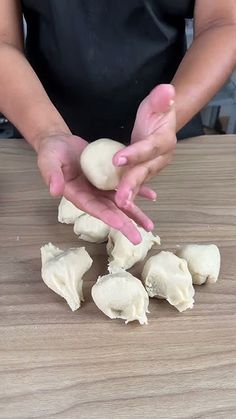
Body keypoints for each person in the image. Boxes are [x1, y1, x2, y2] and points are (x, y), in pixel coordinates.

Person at [0, 1, 235, 243]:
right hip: (39, 133)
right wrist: (47, 132)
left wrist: (171, 112)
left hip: (166, 139)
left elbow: (222, 22)